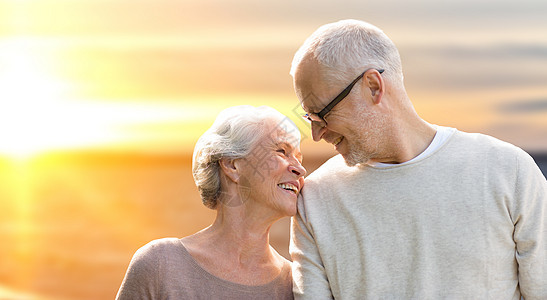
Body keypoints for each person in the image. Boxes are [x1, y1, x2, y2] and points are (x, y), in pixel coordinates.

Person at [289, 19, 546, 299]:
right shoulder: (314, 200)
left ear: (373, 87)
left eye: (321, 114)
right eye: (308, 118)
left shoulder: (508, 171)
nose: (315, 134)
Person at [116, 105, 306, 299]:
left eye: (300, 159)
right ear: (232, 165)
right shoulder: (160, 265)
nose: (300, 170)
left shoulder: (296, 285)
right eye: (282, 151)